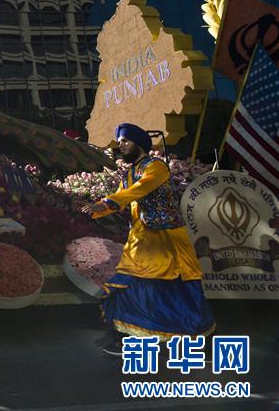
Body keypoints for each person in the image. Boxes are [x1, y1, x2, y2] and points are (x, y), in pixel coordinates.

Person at [81, 123, 215, 356]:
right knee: (131, 283)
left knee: (175, 288)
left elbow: (137, 191)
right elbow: (125, 197)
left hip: (167, 240)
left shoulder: (156, 168)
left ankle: (190, 338)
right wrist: (94, 210)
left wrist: (104, 205)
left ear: (139, 143)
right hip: (142, 238)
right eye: (120, 141)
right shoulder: (131, 172)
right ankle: (126, 338)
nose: (120, 145)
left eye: (125, 141)